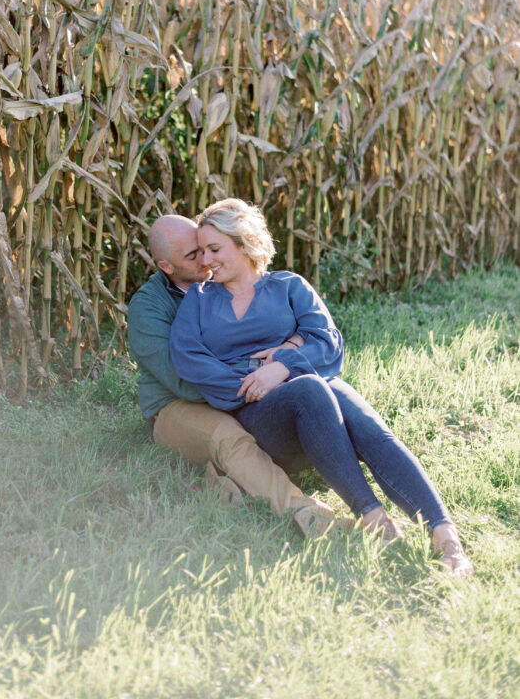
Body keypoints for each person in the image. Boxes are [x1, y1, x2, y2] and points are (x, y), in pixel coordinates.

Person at [169, 198, 474, 577]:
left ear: (244, 243)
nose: (206, 261)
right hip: (258, 416)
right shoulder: (198, 300)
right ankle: (374, 518)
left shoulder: (288, 286)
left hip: (313, 403)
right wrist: (254, 380)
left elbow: (328, 342)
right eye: (202, 251)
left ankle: (445, 537)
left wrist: (281, 366)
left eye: (215, 249)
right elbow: (190, 360)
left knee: (353, 407)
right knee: (312, 388)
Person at [126, 214, 351, 539]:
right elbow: (180, 379)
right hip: (176, 404)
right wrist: (261, 378)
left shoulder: (227, 280)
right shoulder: (148, 307)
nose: (206, 259)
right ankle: (306, 513)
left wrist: (286, 357)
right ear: (167, 267)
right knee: (227, 437)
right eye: (194, 255)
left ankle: (223, 481)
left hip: (238, 390)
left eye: (206, 247)